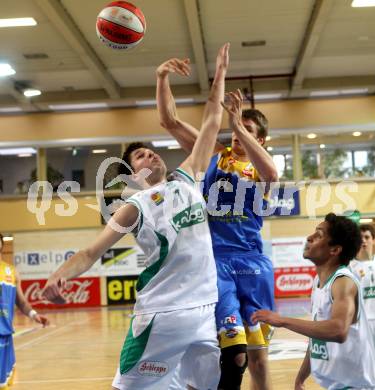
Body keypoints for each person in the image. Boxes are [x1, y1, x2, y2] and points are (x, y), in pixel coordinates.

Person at [42, 43, 230, 390]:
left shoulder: (187, 181)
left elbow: (213, 122)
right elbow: (91, 252)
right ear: (132, 174)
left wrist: (217, 74)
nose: (151, 155)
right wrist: (59, 274)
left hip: (204, 308)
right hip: (161, 314)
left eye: (151, 151)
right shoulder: (136, 206)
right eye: (141, 156)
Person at [156, 58, 278, 390]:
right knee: (230, 352)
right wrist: (162, 76)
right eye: (237, 129)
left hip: (253, 263)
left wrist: (237, 123)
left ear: (260, 140)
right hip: (217, 263)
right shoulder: (214, 155)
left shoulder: (262, 166)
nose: (239, 135)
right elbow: (170, 120)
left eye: (249, 131)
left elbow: (272, 174)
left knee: (258, 355)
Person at [252, 213, 375, 390]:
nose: (309, 238)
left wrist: (282, 320)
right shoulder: (318, 282)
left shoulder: (343, 281)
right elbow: (317, 334)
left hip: (359, 386)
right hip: (338, 384)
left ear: (335, 250)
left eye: (319, 235)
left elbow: (338, 329)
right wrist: (301, 377)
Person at [0, 233, 49, 389]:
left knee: (4, 382)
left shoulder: (11, 272)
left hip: (5, 334)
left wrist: (34, 315)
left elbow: (20, 301)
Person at [350, 224, 375, 362]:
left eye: (367, 237)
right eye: (360, 237)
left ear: (373, 240)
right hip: (362, 323)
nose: (363, 240)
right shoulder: (350, 267)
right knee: (365, 364)